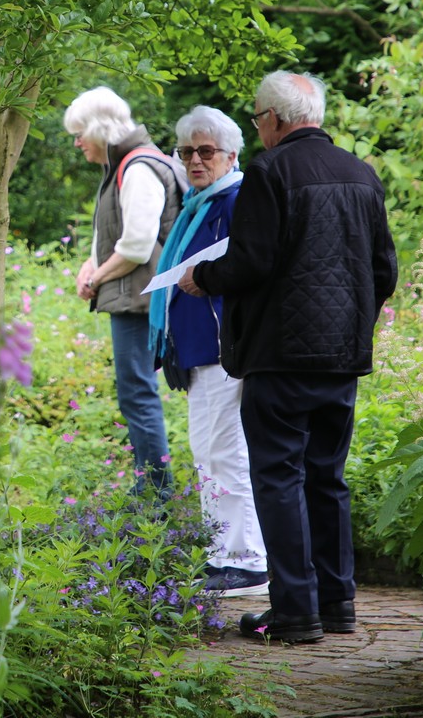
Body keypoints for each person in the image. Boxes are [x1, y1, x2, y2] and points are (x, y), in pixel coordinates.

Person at [178, 71, 398, 644]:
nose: (258, 129)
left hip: (279, 355)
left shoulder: (270, 171)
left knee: (279, 478)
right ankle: (337, 603)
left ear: (273, 119)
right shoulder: (361, 173)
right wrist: (352, 324)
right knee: (327, 478)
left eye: (257, 119)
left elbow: (252, 261)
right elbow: (384, 270)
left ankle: (296, 612)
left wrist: (203, 277)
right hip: (341, 357)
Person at [149, 106, 269, 597]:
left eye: (205, 151)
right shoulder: (197, 205)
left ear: (231, 155)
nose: (195, 161)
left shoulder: (236, 201)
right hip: (197, 351)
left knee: (225, 452)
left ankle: (246, 561)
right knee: (208, 453)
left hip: (224, 350)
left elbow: (244, 269)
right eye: (186, 152)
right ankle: (222, 555)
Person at [64, 86, 182, 498]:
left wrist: (95, 279)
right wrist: (90, 265)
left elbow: (135, 247)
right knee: (135, 393)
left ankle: (155, 495)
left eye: (80, 134)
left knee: (137, 395)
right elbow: (114, 234)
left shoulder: (137, 168)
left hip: (140, 300)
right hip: (135, 296)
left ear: (101, 129)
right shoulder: (124, 166)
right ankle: (150, 489)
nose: (77, 143)